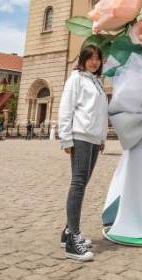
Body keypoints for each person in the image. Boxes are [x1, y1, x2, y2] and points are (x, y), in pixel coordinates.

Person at [57, 44, 108, 262]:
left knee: (82, 183)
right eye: (90, 57)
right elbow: (66, 108)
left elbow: (100, 112)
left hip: (93, 139)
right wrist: (65, 137)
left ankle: (69, 231)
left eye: (97, 58)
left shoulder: (96, 81)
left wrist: (102, 137)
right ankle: (72, 240)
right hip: (80, 136)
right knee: (78, 183)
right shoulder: (76, 78)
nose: (94, 61)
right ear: (83, 59)